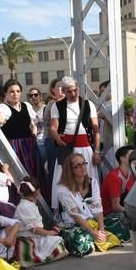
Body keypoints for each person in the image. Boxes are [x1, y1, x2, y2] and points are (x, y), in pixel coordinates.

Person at [49, 76, 101, 211]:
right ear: (63, 91)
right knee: (65, 179)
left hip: (85, 148)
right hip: (67, 149)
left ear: (78, 88)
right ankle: (66, 211)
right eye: (68, 91)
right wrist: (56, 136)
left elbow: (96, 130)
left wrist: (96, 151)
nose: (72, 94)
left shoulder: (88, 104)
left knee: (87, 179)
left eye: (74, 90)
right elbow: (53, 127)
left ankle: (91, 210)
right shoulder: (57, 105)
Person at [54, 153, 121, 256]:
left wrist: (101, 229)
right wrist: (93, 233)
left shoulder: (93, 182)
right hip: (74, 225)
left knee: (119, 220)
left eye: (84, 163)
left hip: (92, 221)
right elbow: (76, 217)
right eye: (78, 166)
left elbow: (98, 208)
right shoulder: (63, 190)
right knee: (81, 241)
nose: (83, 167)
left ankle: (98, 237)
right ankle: (92, 240)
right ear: (70, 170)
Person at [0, 79, 46, 198]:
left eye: (18, 91)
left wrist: (34, 133)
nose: (15, 94)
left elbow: (34, 123)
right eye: (11, 91)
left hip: (30, 146)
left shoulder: (26, 106)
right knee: (19, 176)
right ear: (6, 93)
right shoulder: (3, 107)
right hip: (14, 147)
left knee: (35, 174)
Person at [13, 177, 68, 266]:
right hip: (28, 239)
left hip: (36, 237)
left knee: (58, 240)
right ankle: (35, 258)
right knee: (57, 242)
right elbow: (33, 229)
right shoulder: (24, 206)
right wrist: (49, 232)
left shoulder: (30, 204)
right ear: (37, 192)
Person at [101, 145, 135, 217]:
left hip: (121, 208)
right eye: (132, 155)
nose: (135, 157)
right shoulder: (115, 177)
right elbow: (115, 207)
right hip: (109, 214)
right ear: (122, 159)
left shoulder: (131, 174)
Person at [43, 78, 65, 179]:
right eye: (59, 86)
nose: (63, 88)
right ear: (53, 90)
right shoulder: (52, 104)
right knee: (57, 171)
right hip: (54, 142)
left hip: (66, 142)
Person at [28, 87, 46, 159]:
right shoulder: (28, 110)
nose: (33, 97)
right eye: (31, 95)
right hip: (32, 142)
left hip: (44, 141)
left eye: (36, 95)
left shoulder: (46, 108)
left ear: (40, 96)